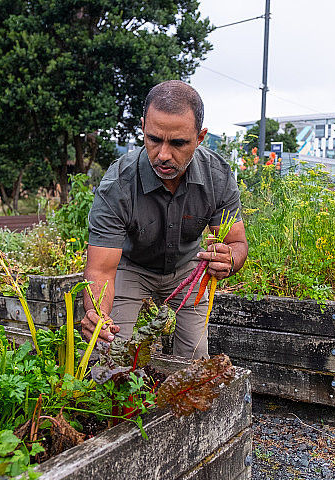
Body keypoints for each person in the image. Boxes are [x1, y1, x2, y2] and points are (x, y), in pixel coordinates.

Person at [80, 80, 248, 360]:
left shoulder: (217, 176)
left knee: (194, 361)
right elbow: (101, 271)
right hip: (132, 268)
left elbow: (236, 242)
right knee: (110, 351)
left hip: (188, 269)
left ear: (200, 137)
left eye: (178, 143)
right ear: (143, 127)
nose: (163, 155)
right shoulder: (118, 184)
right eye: (154, 139)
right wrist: (97, 315)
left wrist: (230, 258)